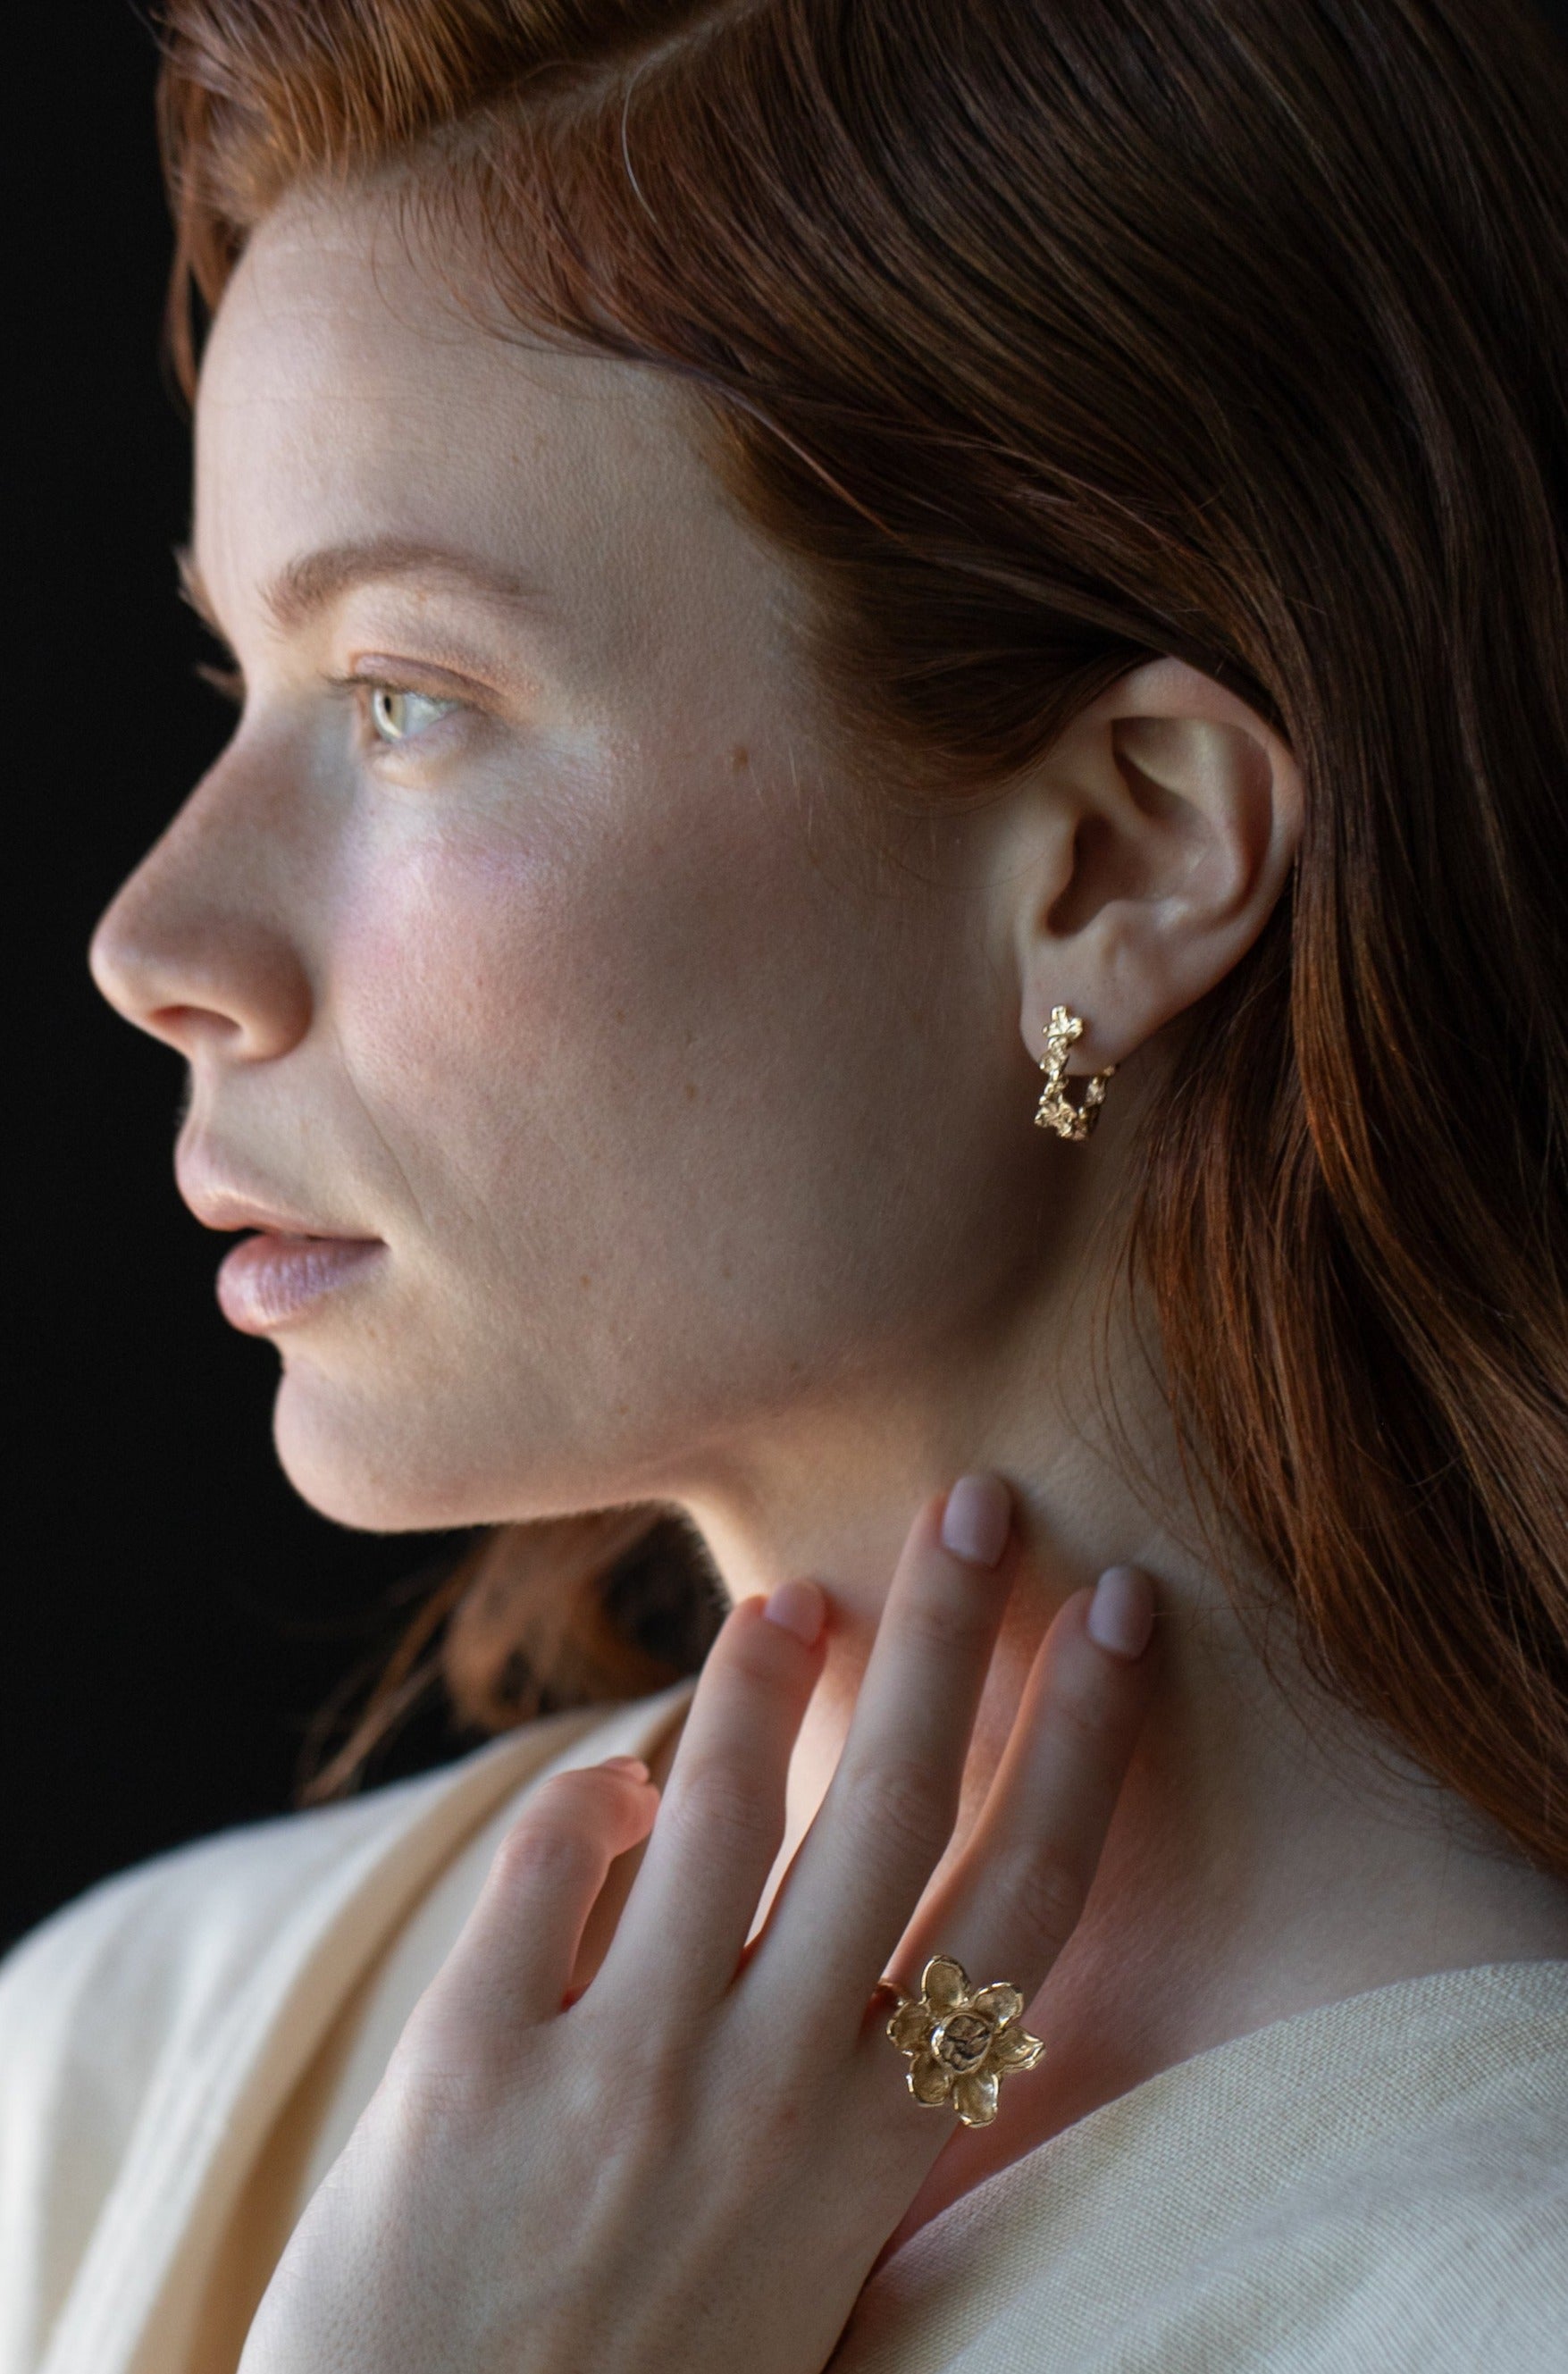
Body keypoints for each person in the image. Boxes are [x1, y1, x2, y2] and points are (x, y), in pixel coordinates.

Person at [4, 0, 1567, 2366]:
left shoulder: (1471, 2294)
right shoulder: (117, 2059)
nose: (158, 947)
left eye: (409, 698)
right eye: (245, 682)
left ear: (1118, 852)